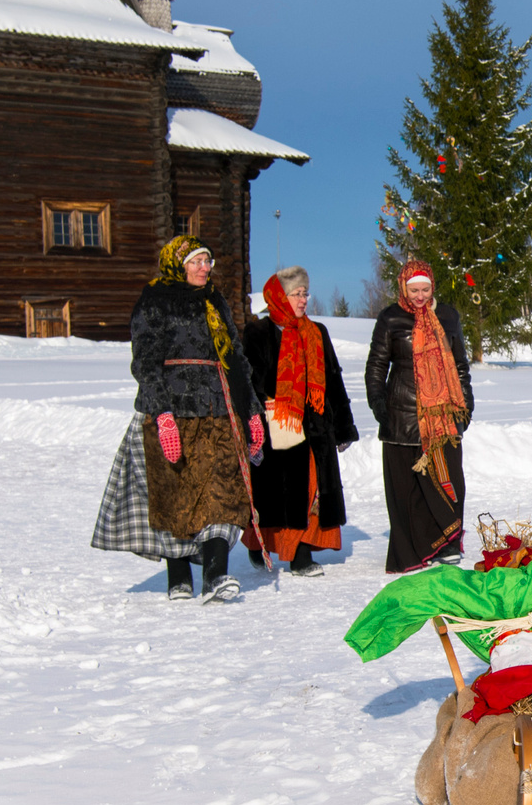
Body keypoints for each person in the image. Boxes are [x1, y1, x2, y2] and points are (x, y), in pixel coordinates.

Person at [90, 235, 264, 603]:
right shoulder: (154, 301)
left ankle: (216, 575)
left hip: (219, 410)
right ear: (177, 264)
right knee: (176, 493)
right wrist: (161, 413)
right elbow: (145, 362)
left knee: (223, 491)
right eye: (197, 262)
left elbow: (235, 357)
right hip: (175, 410)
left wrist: (251, 411)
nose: (205, 268)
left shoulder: (215, 302)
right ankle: (178, 572)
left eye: (208, 262)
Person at [245, 266, 361, 577]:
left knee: (312, 491)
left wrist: (343, 427)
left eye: (305, 293)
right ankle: (259, 544)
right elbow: (250, 381)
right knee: (275, 495)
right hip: (277, 426)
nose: (303, 300)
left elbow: (334, 381)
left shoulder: (317, 332)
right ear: (278, 296)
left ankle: (301, 555)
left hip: (315, 427)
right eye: (297, 294)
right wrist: (257, 417)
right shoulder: (258, 332)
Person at [365, 262, 474, 571]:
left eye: (425, 289)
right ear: (403, 288)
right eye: (414, 290)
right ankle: (410, 550)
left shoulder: (448, 316)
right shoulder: (390, 318)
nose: (420, 296)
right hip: (401, 414)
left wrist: (466, 407)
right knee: (405, 488)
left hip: (442, 416)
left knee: (448, 479)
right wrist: (378, 403)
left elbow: (461, 366)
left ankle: (447, 542)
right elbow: (376, 366)